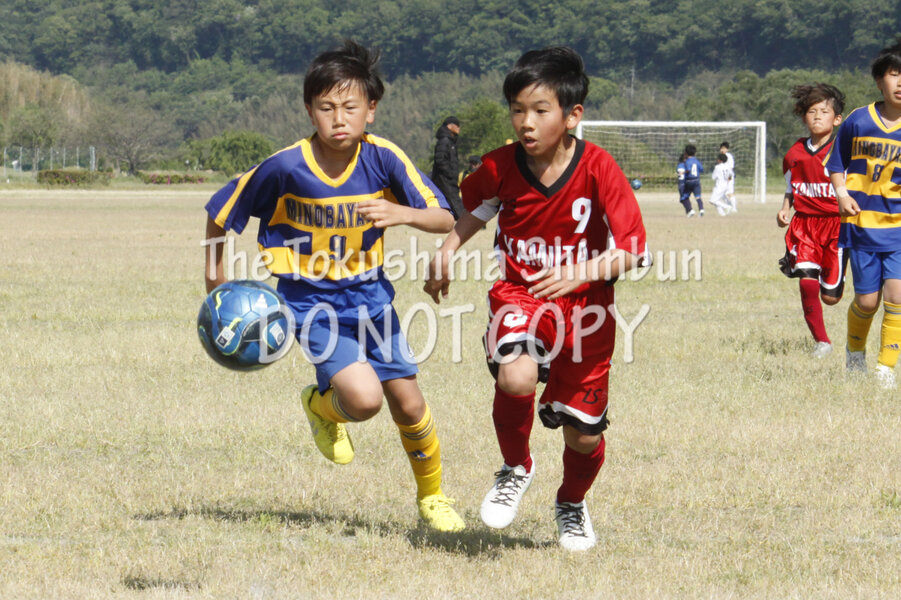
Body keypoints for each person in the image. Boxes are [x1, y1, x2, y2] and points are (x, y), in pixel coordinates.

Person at [203, 40, 464, 530]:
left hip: (371, 299)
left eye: (350, 107)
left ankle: (433, 498)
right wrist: (215, 281)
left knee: (410, 404)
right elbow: (221, 211)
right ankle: (320, 406)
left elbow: (445, 217)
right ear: (309, 111)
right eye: (326, 108)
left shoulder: (384, 157)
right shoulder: (285, 166)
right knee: (364, 401)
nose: (339, 119)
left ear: (371, 109)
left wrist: (401, 213)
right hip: (309, 304)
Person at [424, 47, 648, 550]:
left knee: (583, 435)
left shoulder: (599, 167)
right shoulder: (500, 165)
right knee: (516, 375)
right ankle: (515, 467)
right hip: (520, 296)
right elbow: (478, 208)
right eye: (517, 110)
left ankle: (570, 502)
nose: (526, 122)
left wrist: (581, 272)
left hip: (587, 313)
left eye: (540, 110)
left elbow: (633, 249)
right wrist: (447, 250)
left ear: (572, 116)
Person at [826, 40, 901, 389]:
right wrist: (841, 195)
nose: (900, 83)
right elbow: (836, 163)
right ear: (879, 81)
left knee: (897, 298)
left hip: (898, 228)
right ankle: (855, 353)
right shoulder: (858, 120)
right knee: (868, 302)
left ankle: (886, 368)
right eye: (895, 74)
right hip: (861, 227)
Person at [777, 83, 846, 358]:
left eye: (824, 111)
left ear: (837, 119)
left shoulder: (845, 150)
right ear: (804, 117)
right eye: (811, 111)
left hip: (837, 226)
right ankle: (822, 342)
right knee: (806, 281)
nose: (817, 116)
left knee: (830, 297)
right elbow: (790, 186)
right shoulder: (794, 153)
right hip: (805, 225)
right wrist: (785, 208)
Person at [431, 116, 464, 219]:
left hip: (449, 179)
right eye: (457, 125)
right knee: (456, 204)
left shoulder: (451, 141)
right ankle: (465, 223)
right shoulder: (444, 141)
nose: (459, 128)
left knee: (450, 203)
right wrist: (450, 174)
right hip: (444, 179)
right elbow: (440, 160)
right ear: (449, 126)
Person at [680, 144, 704, 217]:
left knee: (684, 196)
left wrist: (683, 172)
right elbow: (701, 169)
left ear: (686, 153)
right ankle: (701, 209)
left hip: (689, 181)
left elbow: (688, 170)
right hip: (696, 180)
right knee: (698, 196)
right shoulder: (697, 161)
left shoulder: (687, 161)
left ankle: (690, 210)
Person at [719, 141, 737, 212]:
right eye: (721, 148)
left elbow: (731, 168)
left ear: (727, 149)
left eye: (724, 148)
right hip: (723, 178)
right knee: (722, 194)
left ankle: (734, 208)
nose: (722, 150)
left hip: (729, 177)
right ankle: (729, 205)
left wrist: (729, 177)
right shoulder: (721, 157)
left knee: (730, 193)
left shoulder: (729, 156)